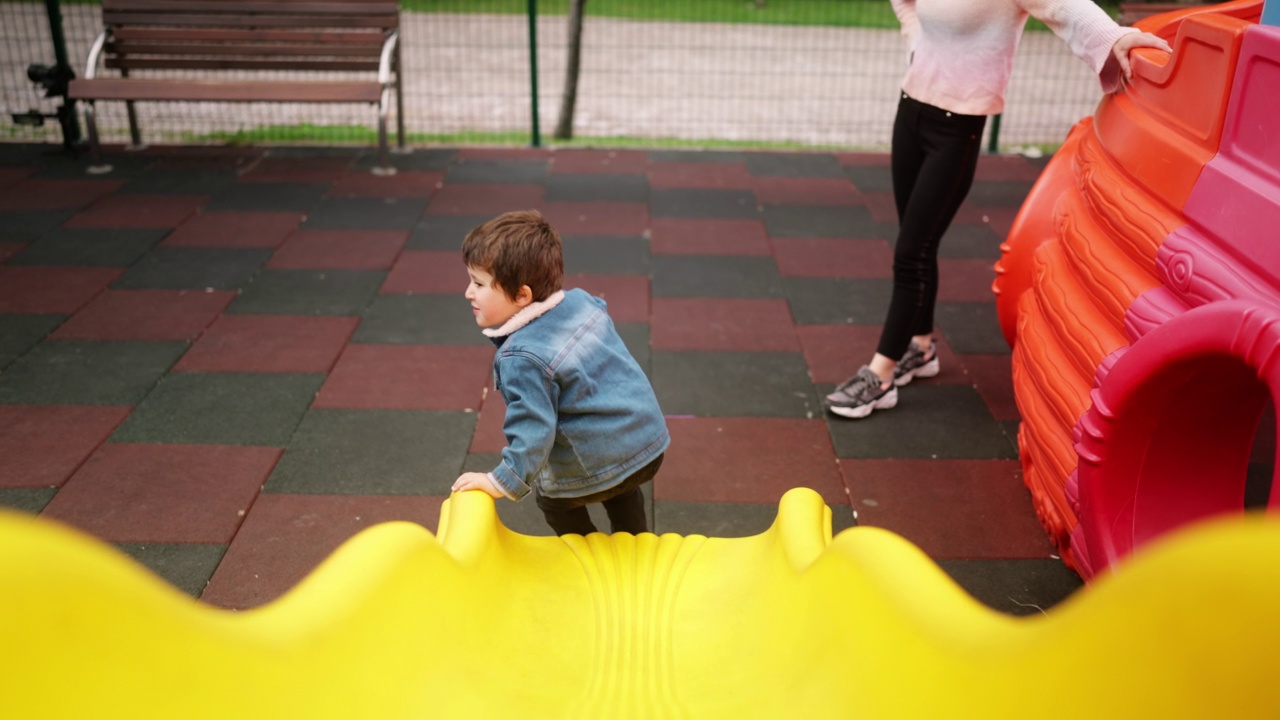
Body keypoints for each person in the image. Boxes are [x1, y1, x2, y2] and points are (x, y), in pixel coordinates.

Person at [825, 0, 1172, 419]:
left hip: (958, 127)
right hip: (911, 108)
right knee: (914, 243)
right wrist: (916, 39)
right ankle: (920, 346)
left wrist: (1114, 37)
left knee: (910, 252)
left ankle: (880, 375)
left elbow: (1064, 7)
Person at [450, 209, 670, 536]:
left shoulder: (521, 356)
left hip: (598, 468)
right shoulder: (583, 303)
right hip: (647, 448)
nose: (469, 292)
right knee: (624, 490)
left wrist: (501, 480)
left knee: (553, 501)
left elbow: (534, 427)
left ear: (522, 295)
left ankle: (584, 552)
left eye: (479, 284)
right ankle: (637, 543)